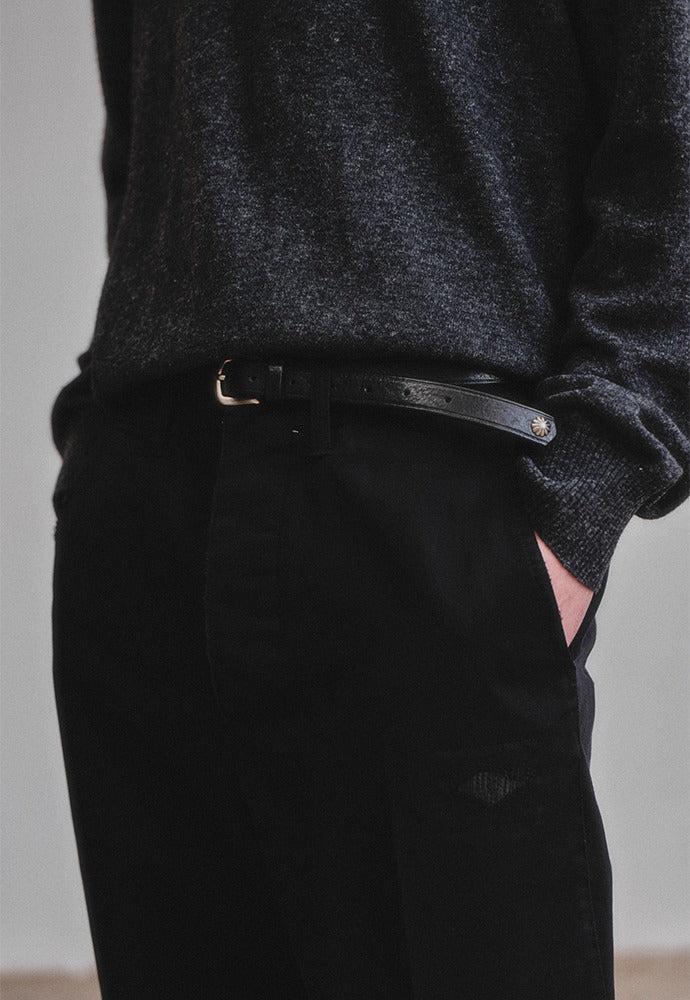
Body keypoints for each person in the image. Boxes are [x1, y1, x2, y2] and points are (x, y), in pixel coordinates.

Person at [49, 2, 688, 997]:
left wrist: (584, 492)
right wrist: (102, 425)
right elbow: (151, 135)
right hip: (150, 493)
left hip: (437, 491)